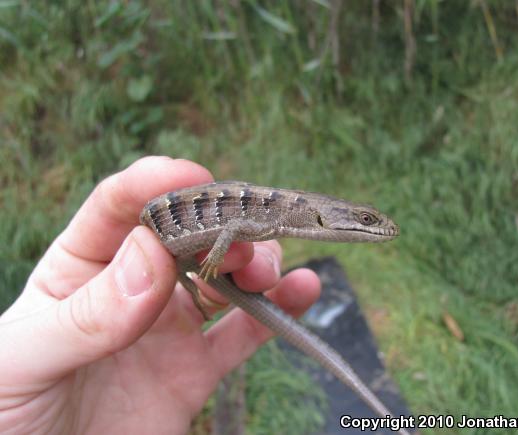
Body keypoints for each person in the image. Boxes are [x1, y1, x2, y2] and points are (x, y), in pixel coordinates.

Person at [0, 156, 320, 434]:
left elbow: (233, 227)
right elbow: (232, 227)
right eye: (366, 221)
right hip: (168, 238)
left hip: (178, 254)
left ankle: (189, 278)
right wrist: (207, 261)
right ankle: (188, 277)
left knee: (232, 269)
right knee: (219, 266)